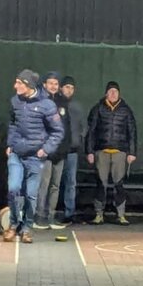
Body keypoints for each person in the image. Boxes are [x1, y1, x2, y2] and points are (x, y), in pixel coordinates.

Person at [6, 69, 65, 244]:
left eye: (19, 83)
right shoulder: (15, 101)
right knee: (13, 188)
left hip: (35, 157)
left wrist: (46, 149)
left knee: (31, 195)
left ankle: (26, 228)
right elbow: (13, 124)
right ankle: (13, 224)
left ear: (29, 85)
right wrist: (10, 144)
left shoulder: (47, 105)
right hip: (17, 154)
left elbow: (58, 131)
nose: (15, 86)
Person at [85, 81, 138, 225]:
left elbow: (132, 132)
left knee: (119, 184)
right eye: (111, 91)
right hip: (101, 152)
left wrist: (132, 152)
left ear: (119, 93)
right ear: (106, 93)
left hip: (120, 152)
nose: (113, 94)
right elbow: (91, 132)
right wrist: (89, 151)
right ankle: (99, 214)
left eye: (116, 91)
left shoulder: (126, 110)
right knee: (100, 184)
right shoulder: (97, 109)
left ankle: (121, 214)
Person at [34, 71, 68, 229]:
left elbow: (66, 128)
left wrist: (64, 148)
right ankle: (39, 217)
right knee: (44, 184)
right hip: (45, 152)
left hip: (60, 153)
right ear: (44, 85)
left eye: (56, 83)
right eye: (50, 83)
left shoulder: (63, 102)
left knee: (55, 186)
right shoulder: (39, 101)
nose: (53, 86)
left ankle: (51, 216)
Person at [57, 76, 84, 224]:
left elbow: (82, 127)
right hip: (56, 151)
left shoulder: (77, 107)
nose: (69, 90)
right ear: (61, 88)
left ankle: (69, 213)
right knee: (53, 183)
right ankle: (47, 212)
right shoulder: (54, 104)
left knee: (71, 182)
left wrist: (78, 140)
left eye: (72, 88)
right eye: (67, 87)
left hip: (72, 151)